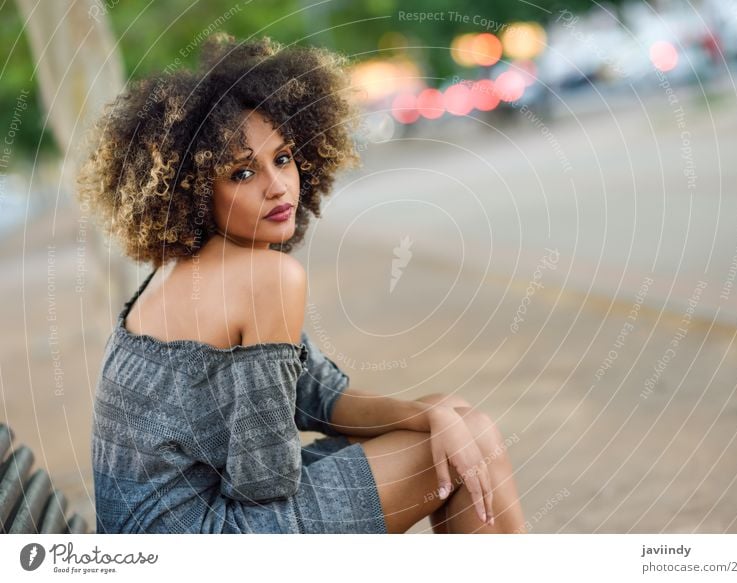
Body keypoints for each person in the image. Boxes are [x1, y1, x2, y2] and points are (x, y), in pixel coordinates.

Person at [76, 32, 525, 534]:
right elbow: (263, 483)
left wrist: (429, 413)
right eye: (242, 173)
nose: (277, 185)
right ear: (195, 191)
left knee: (458, 422)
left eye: (283, 158)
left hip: (186, 524)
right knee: (455, 449)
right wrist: (421, 436)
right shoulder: (267, 278)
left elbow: (315, 397)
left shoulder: (190, 273)